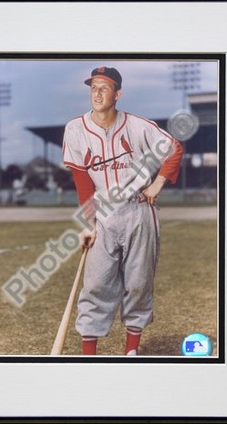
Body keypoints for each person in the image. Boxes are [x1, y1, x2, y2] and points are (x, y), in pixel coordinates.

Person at [63, 66, 183, 355]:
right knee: (94, 284)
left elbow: (174, 148)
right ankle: (89, 355)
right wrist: (88, 224)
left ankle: (131, 350)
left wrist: (157, 185)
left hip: (139, 212)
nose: (97, 92)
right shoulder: (75, 129)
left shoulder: (138, 126)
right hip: (103, 214)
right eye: (93, 87)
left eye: (104, 87)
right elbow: (81, 180)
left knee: (139, 283)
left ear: (117, 94)